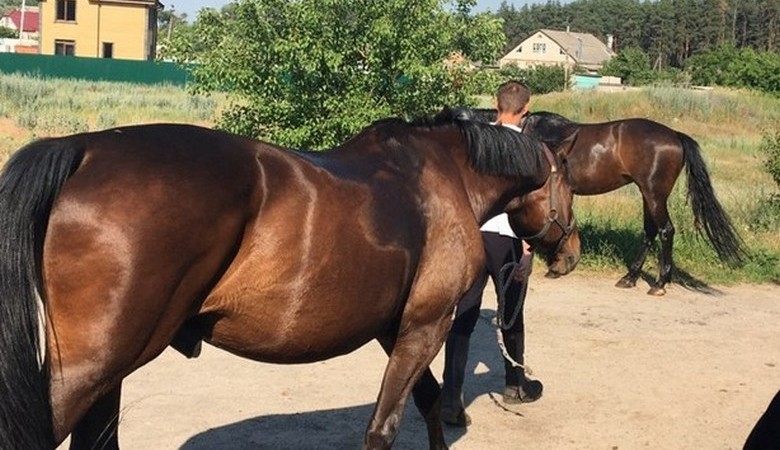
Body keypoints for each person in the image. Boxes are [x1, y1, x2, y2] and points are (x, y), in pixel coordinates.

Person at [440, 80, 543, 427]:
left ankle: (450, 397)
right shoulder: (527, 148)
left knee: (464, 316)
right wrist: (528, 250)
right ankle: (515, 385)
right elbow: (529, 204)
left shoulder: (477, 141)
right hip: (507, 239)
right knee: (512, 312)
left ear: (495, 104)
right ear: (526, 108)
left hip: (472, 234)